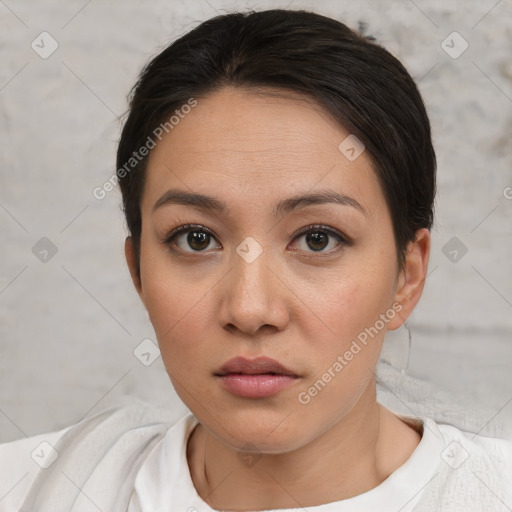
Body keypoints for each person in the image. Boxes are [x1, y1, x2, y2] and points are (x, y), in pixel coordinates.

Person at [1, 8, 511, 512]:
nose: (249, 309)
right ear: (138, 272)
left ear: (407, 275)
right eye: (196, 239)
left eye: (317, 239)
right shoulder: (29, 490)